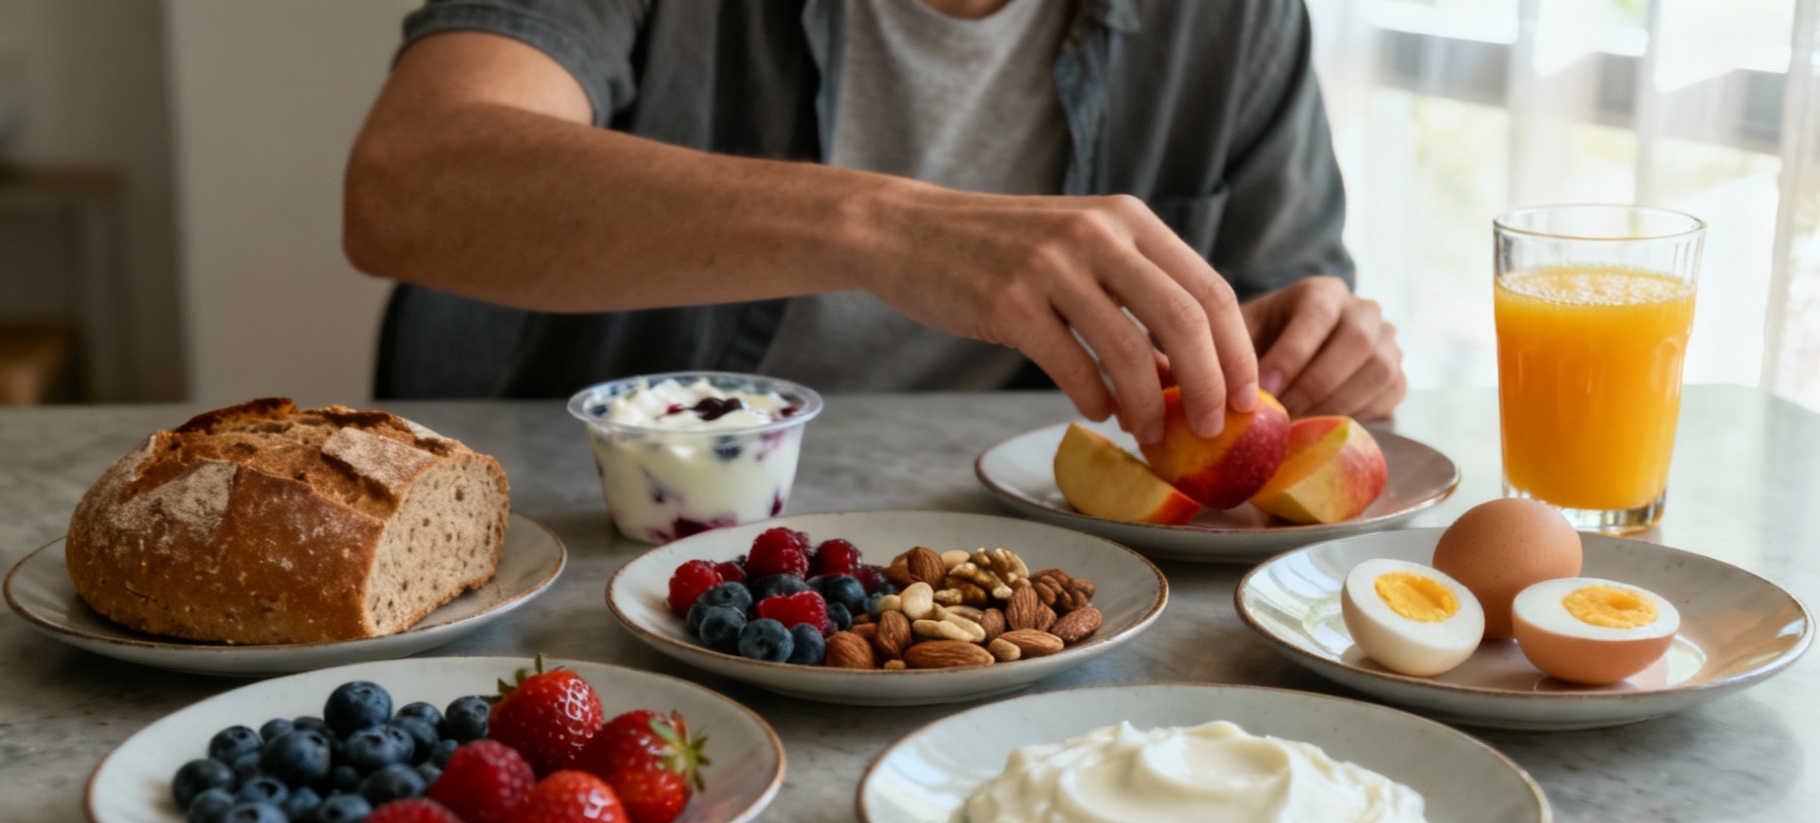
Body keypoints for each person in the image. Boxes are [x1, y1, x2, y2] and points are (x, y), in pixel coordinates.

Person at [345, 0, 1405, 445]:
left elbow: (1282, 351)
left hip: (1014, 596)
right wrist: (883, 226)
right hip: (594, 543)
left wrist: (1316, 356)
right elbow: (406, 182)